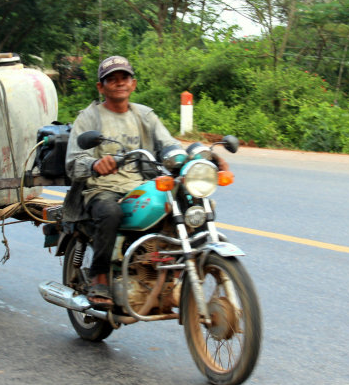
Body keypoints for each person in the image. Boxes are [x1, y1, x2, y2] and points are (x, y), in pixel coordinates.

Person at [65, 55, 227, 308]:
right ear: (101, 87)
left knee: (188, 200)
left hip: (141, 186)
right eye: (111, 79)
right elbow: (74, 161)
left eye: (124, 78)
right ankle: (99, 277)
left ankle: (175, 269)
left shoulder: (145, 115)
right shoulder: (89, 117)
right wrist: (95, 164)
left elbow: (170, 145)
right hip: (102, 188)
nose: (119, 83)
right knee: (110, 212)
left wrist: (204, 158)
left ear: (133, 83)